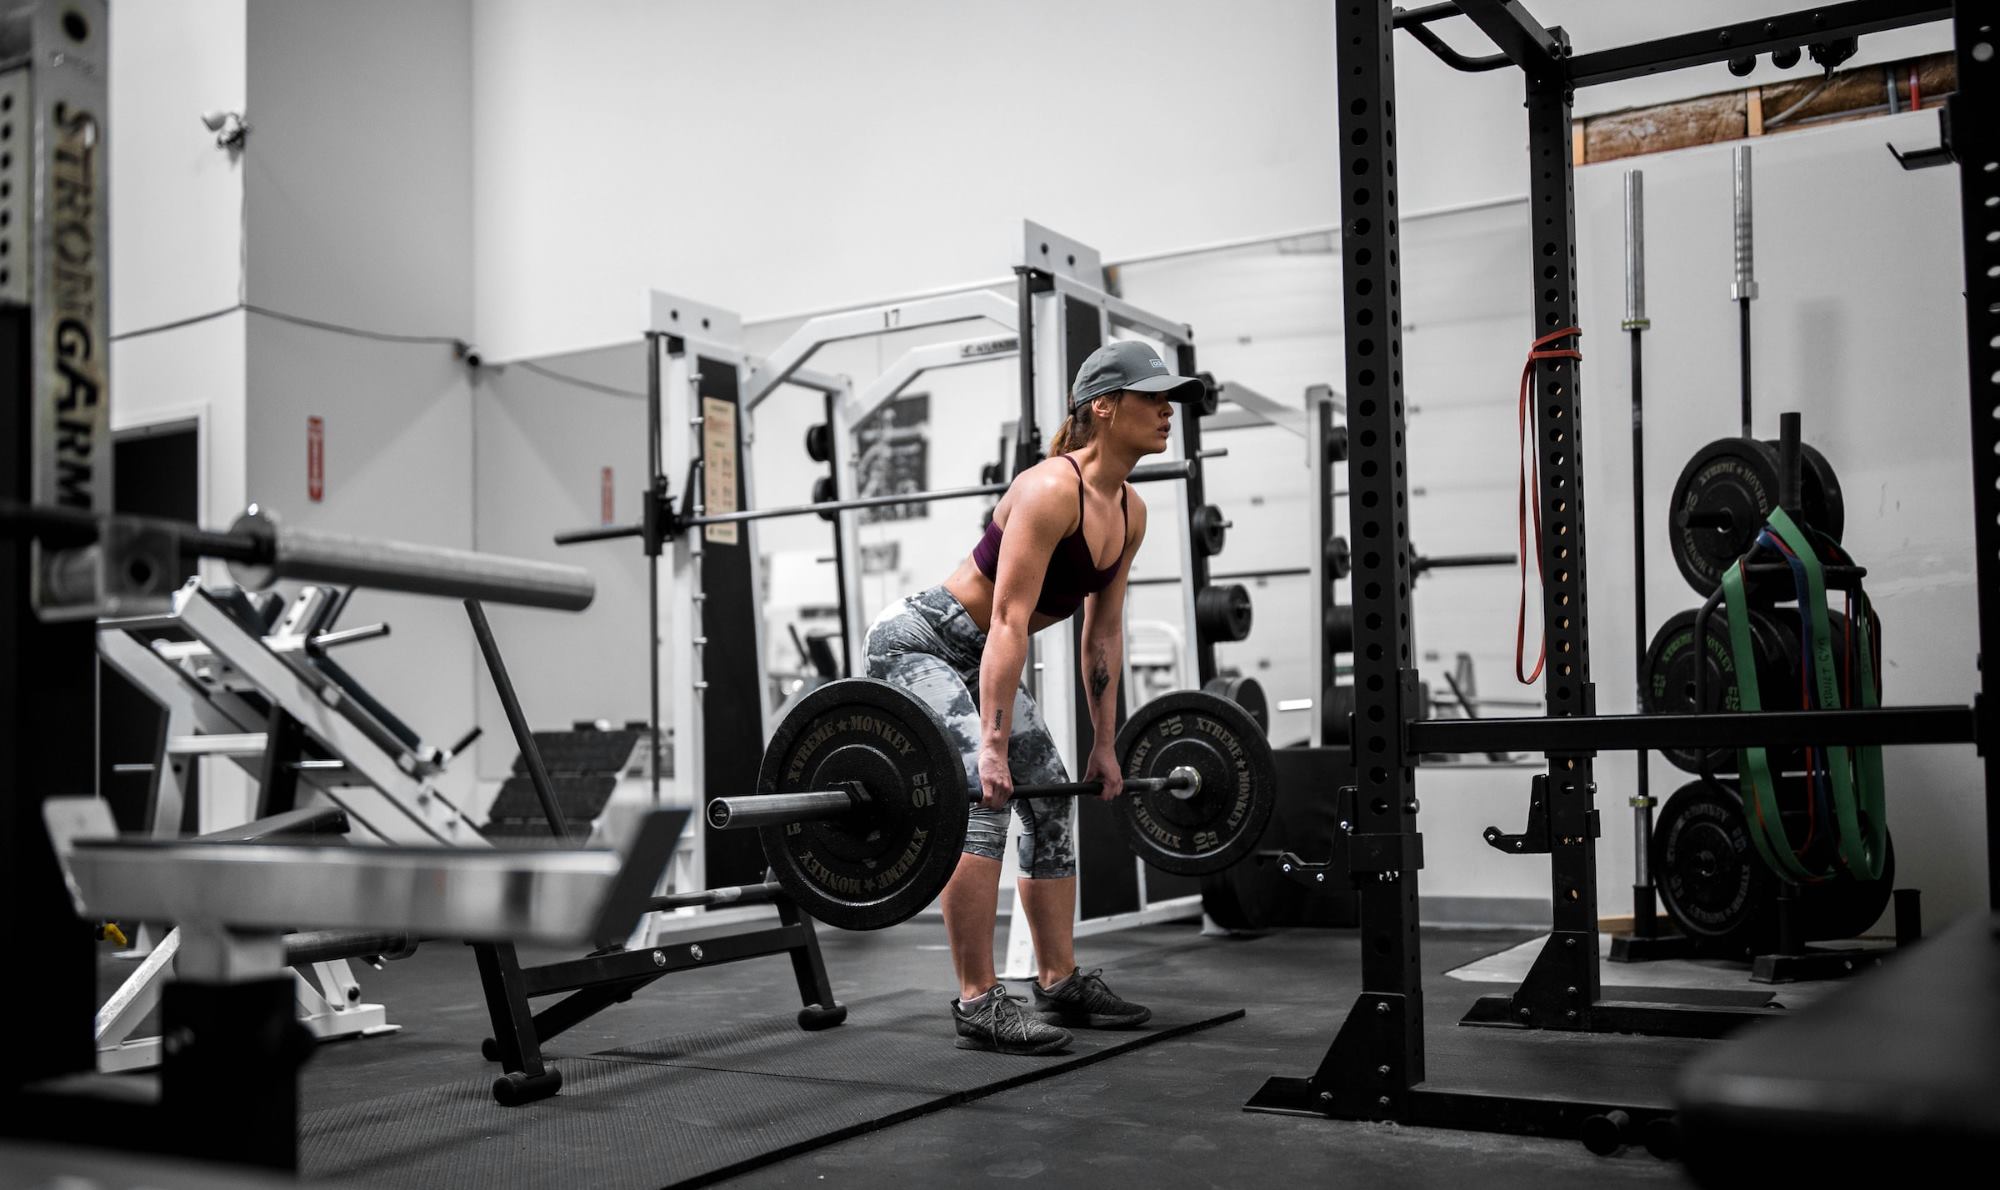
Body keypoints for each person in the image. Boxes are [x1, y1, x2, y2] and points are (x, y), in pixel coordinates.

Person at [862, 340, 1204, 1054]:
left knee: (1048, 796)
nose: (1168, 410)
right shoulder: (1053, 489)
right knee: (982, 804)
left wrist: (1105, 744)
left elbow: (1101, 638)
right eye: (1153, 397)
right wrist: (988, 749)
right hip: (921, 643)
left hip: (981, 654)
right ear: (1103, 408)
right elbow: (1010, 621)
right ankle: (979, 1000)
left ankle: (1057, 980)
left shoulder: (1129, 511)